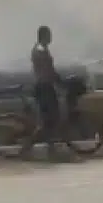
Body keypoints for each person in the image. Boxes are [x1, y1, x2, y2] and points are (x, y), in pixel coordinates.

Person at [31, 25, 64, 159]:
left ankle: (50, 147)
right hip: (44, 86)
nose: (51, 37)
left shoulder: (42, 48)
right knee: (47, 120)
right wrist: (59, 80)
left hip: (45, 85)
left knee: (50, 119)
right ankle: (29, 146)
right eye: (49, 35)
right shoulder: (40, 50)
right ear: (43, 36)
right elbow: (48, 70)